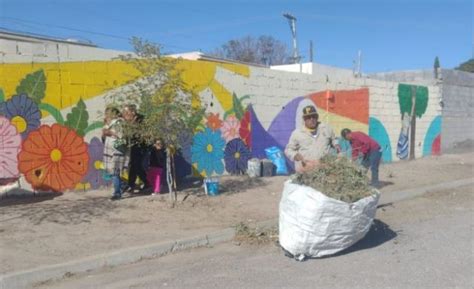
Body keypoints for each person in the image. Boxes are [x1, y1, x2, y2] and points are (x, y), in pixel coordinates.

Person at [285, 105, 338, 172]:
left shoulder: (326, 128)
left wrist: (336, 144)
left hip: (325, 169)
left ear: (317, 117)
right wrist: (295, 155)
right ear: (304, 119)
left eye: (314, 117)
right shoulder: (297, 133)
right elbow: (288, 149)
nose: (312, 119)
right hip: (306, 170)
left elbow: (334, 139)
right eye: (308, 117)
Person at [122, 104, 150, 193]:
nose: (125, 114)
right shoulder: (127, 122)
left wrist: (132, 124)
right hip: (133, 146)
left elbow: (143, 133)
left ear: (133, 112)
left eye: (126, 112)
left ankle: (146, 182)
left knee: (136, 165)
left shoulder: (141, 120)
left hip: (142, 146)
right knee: (132, 165)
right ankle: (131, 184)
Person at [102, 107, 126, 200]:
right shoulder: (110, 124)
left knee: (115, 172)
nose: (106, 115)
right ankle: (122, 184)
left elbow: (119, 135)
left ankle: (117, 193)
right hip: (110, 151)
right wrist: (106, 128)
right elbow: (104, 134)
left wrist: (107, 130)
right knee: (113, 173)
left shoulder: (118, 123)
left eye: (108, 113)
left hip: (116, 151)